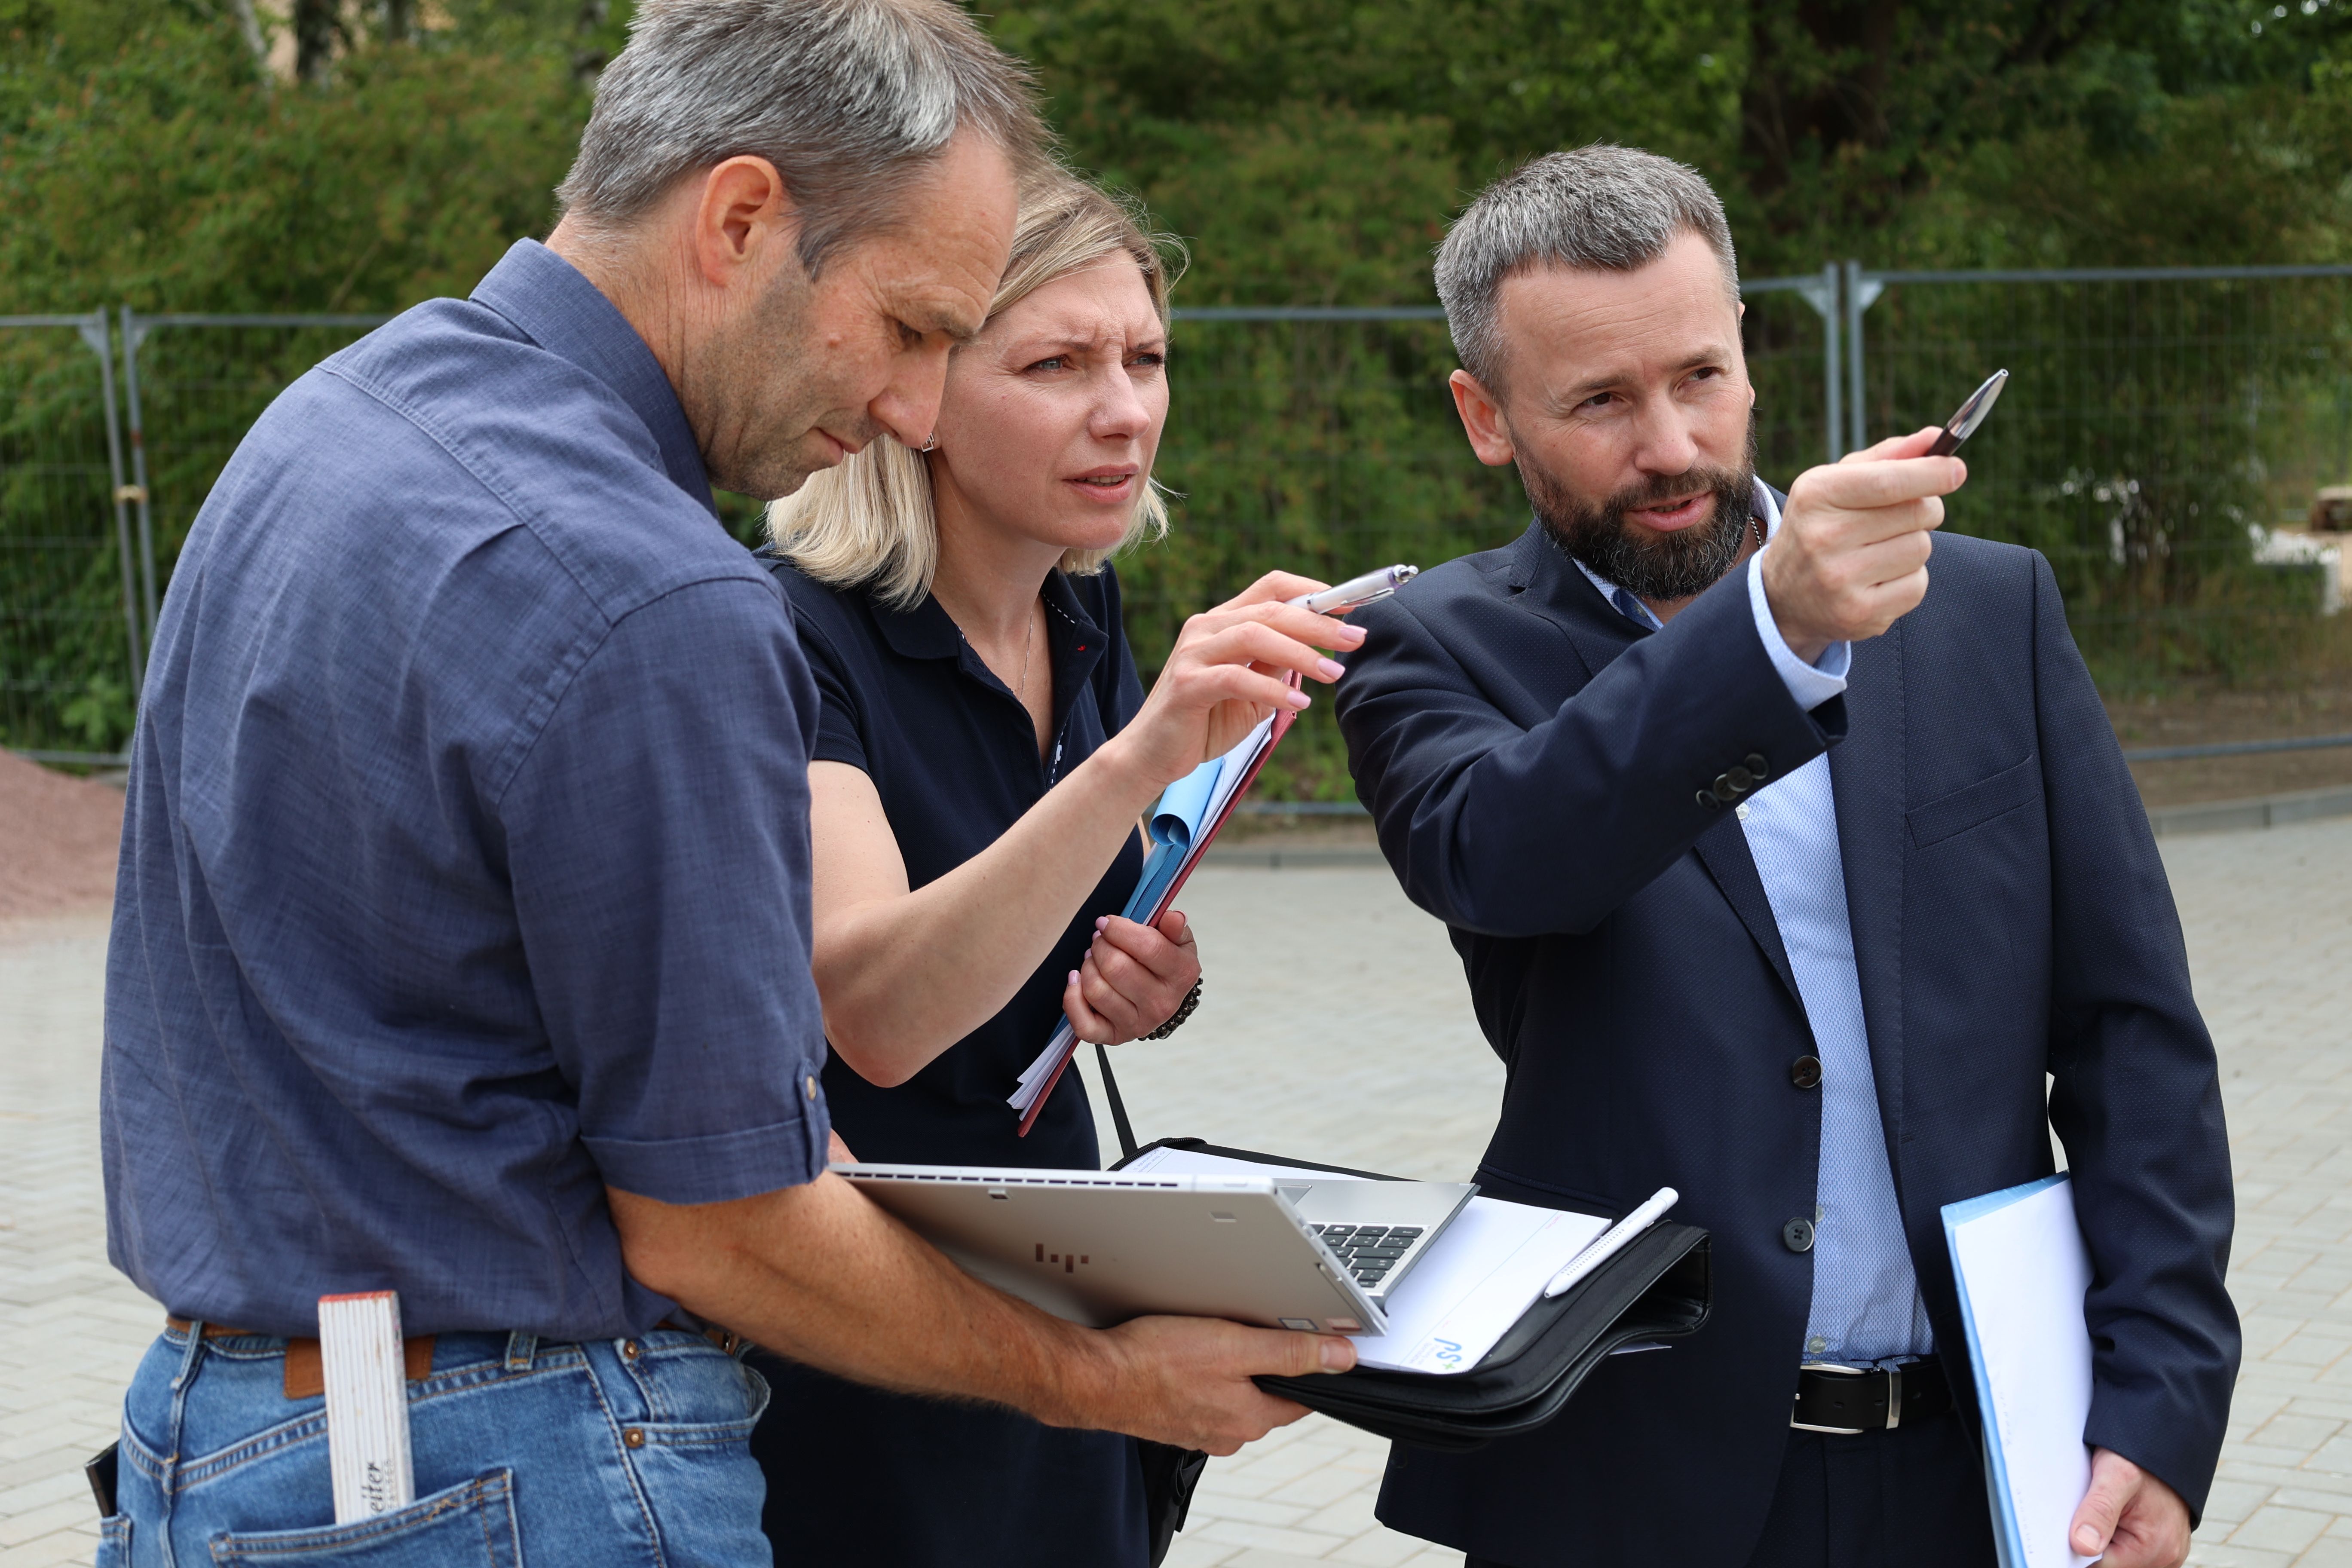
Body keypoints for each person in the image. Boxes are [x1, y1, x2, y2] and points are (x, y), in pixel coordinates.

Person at [98, 4, 1355, 1563]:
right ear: (743, 217)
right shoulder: (659, 598)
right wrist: (1102, 1376)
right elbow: (724, 1223)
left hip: (226, 1434)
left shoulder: (332, 423)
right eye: (909, 331)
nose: (910, 411)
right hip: (512, 1463)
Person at [1332, 145, 2237, 1568]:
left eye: (1699, 376)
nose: (1674, 446)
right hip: (1624, 1482)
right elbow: (1509, 858)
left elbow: (2133, 1037)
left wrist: (2163, 1403)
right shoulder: (1422, 649)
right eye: (1601, 402)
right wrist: (1775, 631)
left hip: (1982, 1463)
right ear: (1484, 416)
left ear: (1749, 354)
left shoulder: (1988, 608)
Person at [746, 170, 1362, 1566]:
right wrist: (1140, 756)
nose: (1126, 407)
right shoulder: (788, 637)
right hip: (873, 1300)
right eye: (1058, 363)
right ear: (920, 395)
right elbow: (880, 1016)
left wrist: (1154, 977)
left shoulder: (1080, 603)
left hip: (1064, 1264)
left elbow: (1071, 909)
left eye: (1145, 358)